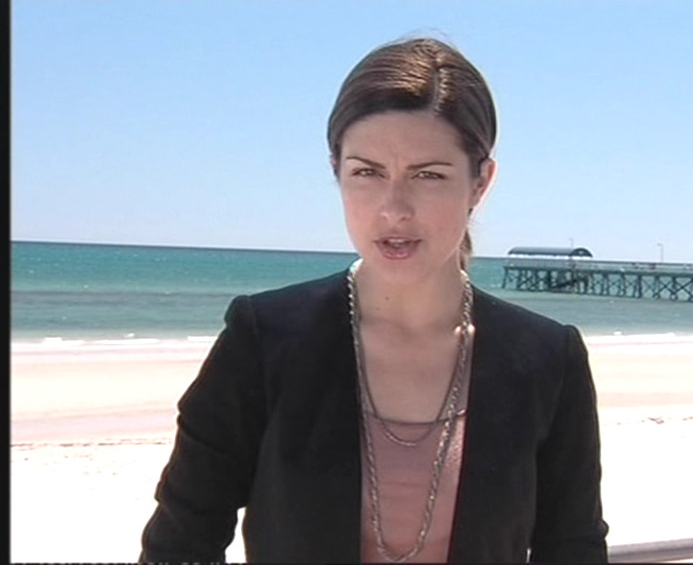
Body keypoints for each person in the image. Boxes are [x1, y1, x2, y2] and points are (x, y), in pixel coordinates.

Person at [139, 36, 608, 563]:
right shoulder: (264, 341)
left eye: (428, 175)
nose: (394, 209)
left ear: (481, 181)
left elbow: (574, 548)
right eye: (367, 172)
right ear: (336, 171)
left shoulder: (547, 361)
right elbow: (180, 542)